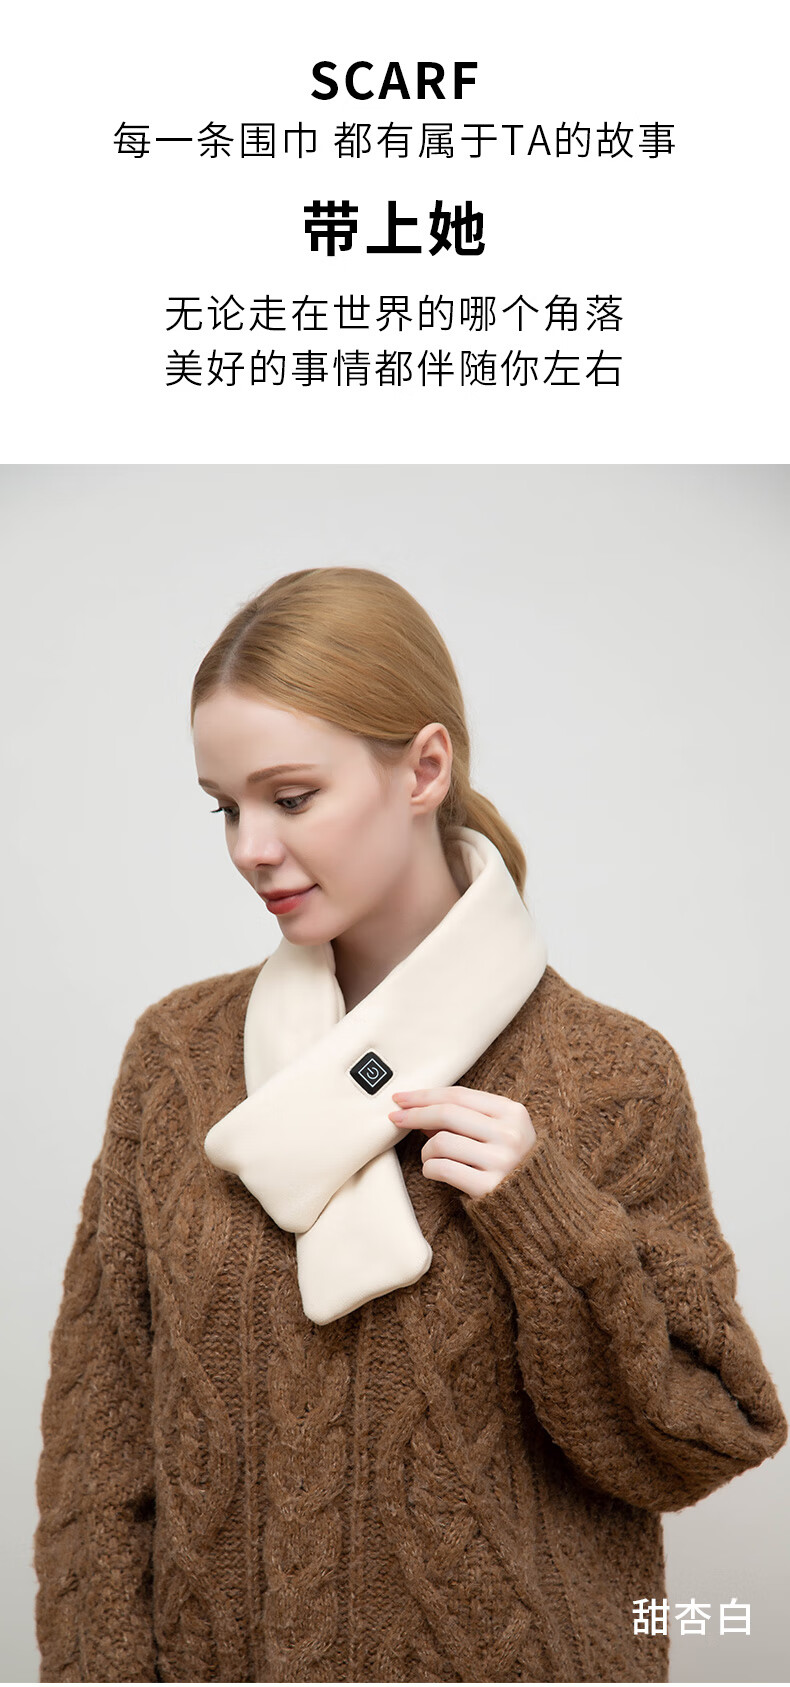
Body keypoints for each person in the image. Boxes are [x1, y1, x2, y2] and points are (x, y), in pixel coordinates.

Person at [34, 566, 787, 1685]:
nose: (249, 846)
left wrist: (555, 1224)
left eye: (291, 798)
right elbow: (100, 1452)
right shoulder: (178, 1060)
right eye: (226, 806)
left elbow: (696, 1439)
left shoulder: (614, 1079)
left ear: (424, 768)